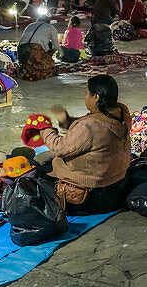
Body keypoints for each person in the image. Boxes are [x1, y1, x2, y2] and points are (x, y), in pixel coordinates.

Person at [40, 75, 131, 215]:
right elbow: (93, 129)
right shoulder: (122, 114)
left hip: (91, 198)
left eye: (86, 93)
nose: (85, 98)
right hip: (117, 188)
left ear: (96, 97)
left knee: (40, 174)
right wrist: (67, 121)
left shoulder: (89, 127)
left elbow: (59, 147)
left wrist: (45, 130)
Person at [17, 6, 60, 80]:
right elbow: (56, 45)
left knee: (30, 63)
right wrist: (59, 52)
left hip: (21, 50)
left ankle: (27, 67)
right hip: (35, 50)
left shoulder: (30, 25)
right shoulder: (50, 27)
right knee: (50, 66)